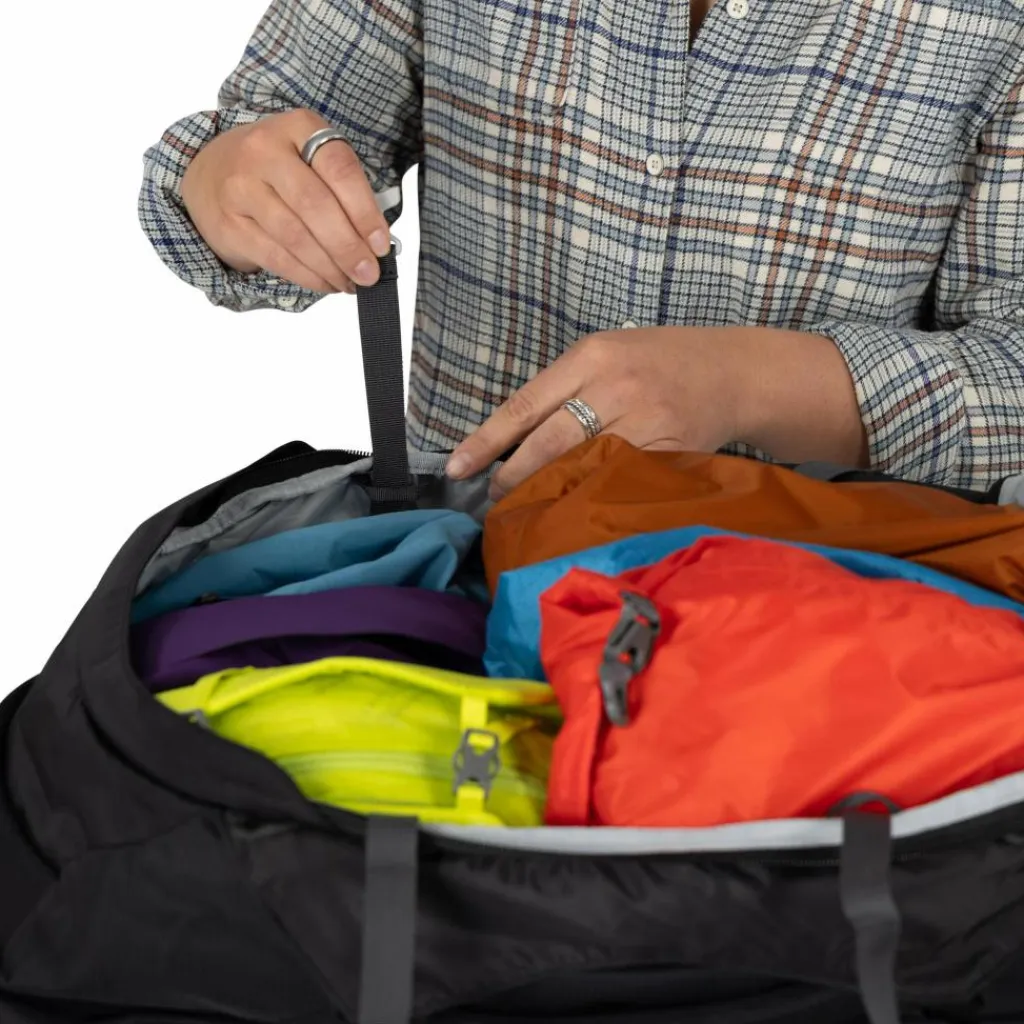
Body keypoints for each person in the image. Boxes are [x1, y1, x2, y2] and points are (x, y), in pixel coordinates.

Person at [139, 0, 1023, 501]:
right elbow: (270, 136)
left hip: (820, 638)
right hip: (461, 600)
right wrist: (225, 180)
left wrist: (747, 384)